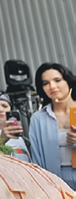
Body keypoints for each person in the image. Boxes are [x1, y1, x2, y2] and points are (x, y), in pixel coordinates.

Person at [29, 62, 76, 190]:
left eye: (57, 80)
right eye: (45, 83)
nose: (52, 86)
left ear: (68, 81)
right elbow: (37, 159)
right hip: (54, 182)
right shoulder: (38, 119)